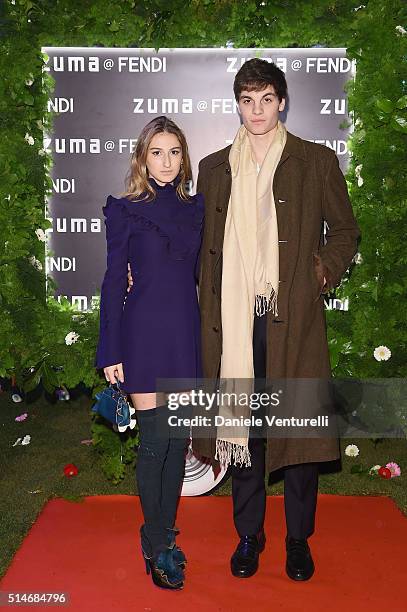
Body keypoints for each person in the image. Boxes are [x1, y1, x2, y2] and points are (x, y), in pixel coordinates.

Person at [193, 58, 360, 581]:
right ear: (238, 104)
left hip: (295, 318)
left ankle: (297, 539)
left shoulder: (316, 161)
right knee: (243, 427)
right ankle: (249, 535)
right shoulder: (214, 168)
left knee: (299, 431)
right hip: (235, 323)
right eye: (247, 100)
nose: (257, 110)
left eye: (266, 99)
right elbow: (201, 245)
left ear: (282, 101)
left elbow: (346, 232)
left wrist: (319, 273)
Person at [95, 115, 204, 590]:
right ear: (142, 157)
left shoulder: (197, 208)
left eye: (174, 152)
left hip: (184, 333)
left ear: (184, 158)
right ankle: (158, 543)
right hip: (141, 334)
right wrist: (110, 347)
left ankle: (162, 533)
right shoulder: (125, 211)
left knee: (178, 445)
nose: (166, 161)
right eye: (156, 152)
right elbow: (113, 280)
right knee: (156, 442)